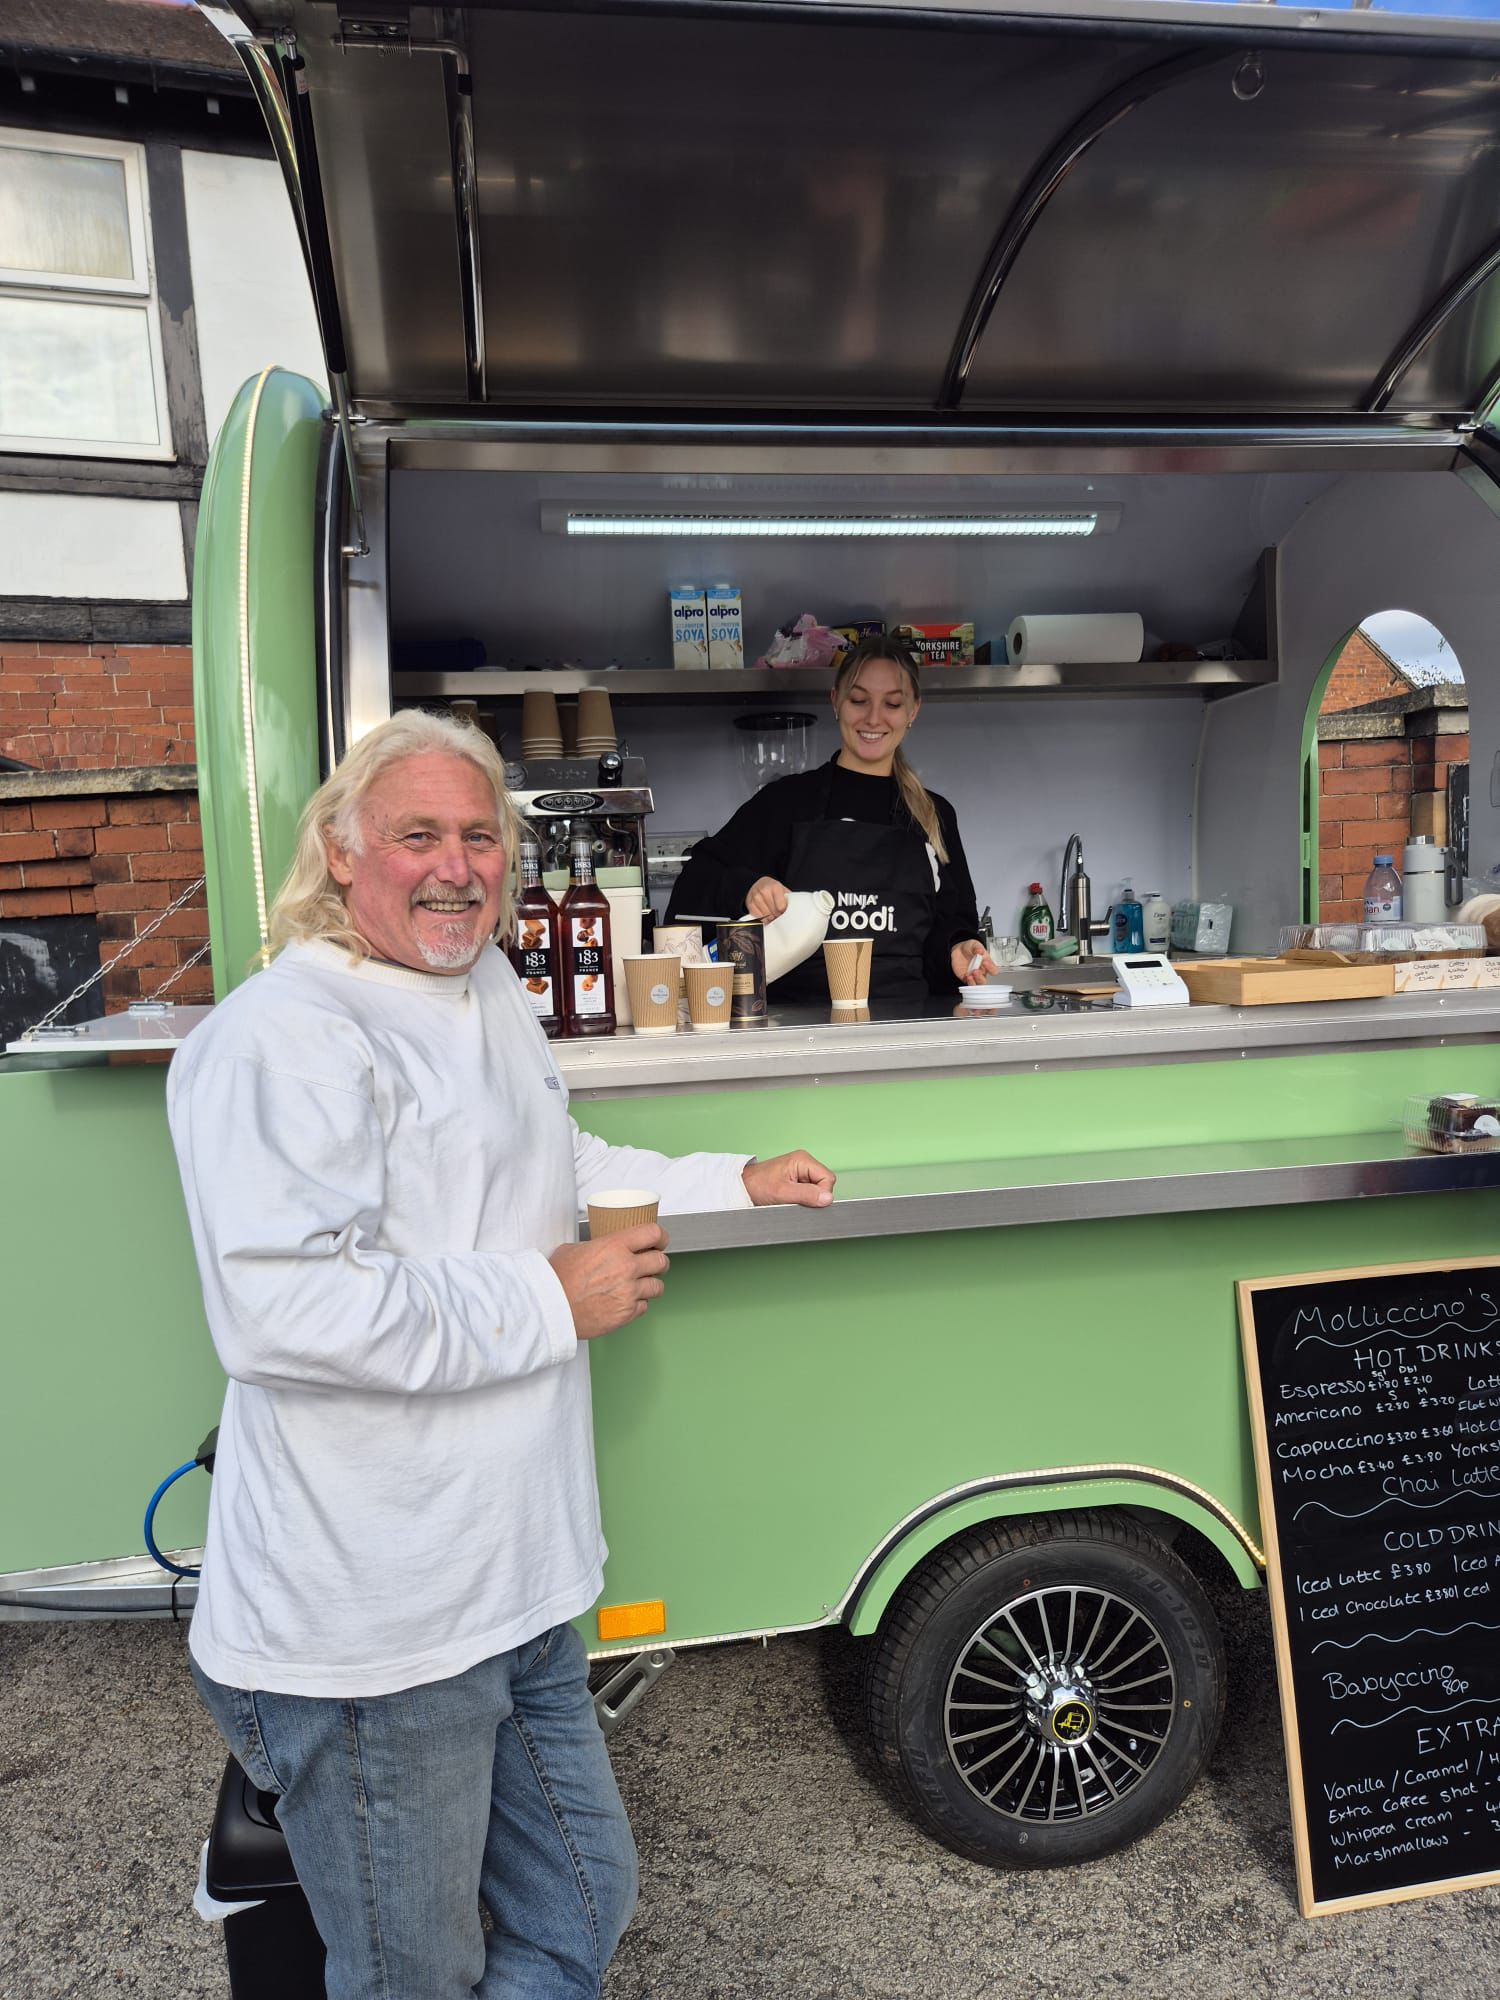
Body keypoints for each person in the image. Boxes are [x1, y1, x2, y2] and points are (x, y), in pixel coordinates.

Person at [166, 709, 835, 2000]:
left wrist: (730, 1180)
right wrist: (548, 1299)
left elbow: (556, 1165)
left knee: (584, 1902)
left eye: (481, 836)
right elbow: (284, 1311)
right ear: (343, 850)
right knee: (413, 1971)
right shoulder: (284, 1037)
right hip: (378, 1632)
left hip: (517, 1593)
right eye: (419, 834)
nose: (458, 865)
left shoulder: (481, 989)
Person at [667, 635, 995, 1003]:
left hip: (903, 1030)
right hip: (795, 1035)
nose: (873, 718)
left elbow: (952, 925)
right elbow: (693, 884)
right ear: (835, 700)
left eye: (892, 703)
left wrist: (958, 948)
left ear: (913, 711)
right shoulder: (785, 803)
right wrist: (748, 886)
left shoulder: (934, 815)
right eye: (858, 700)